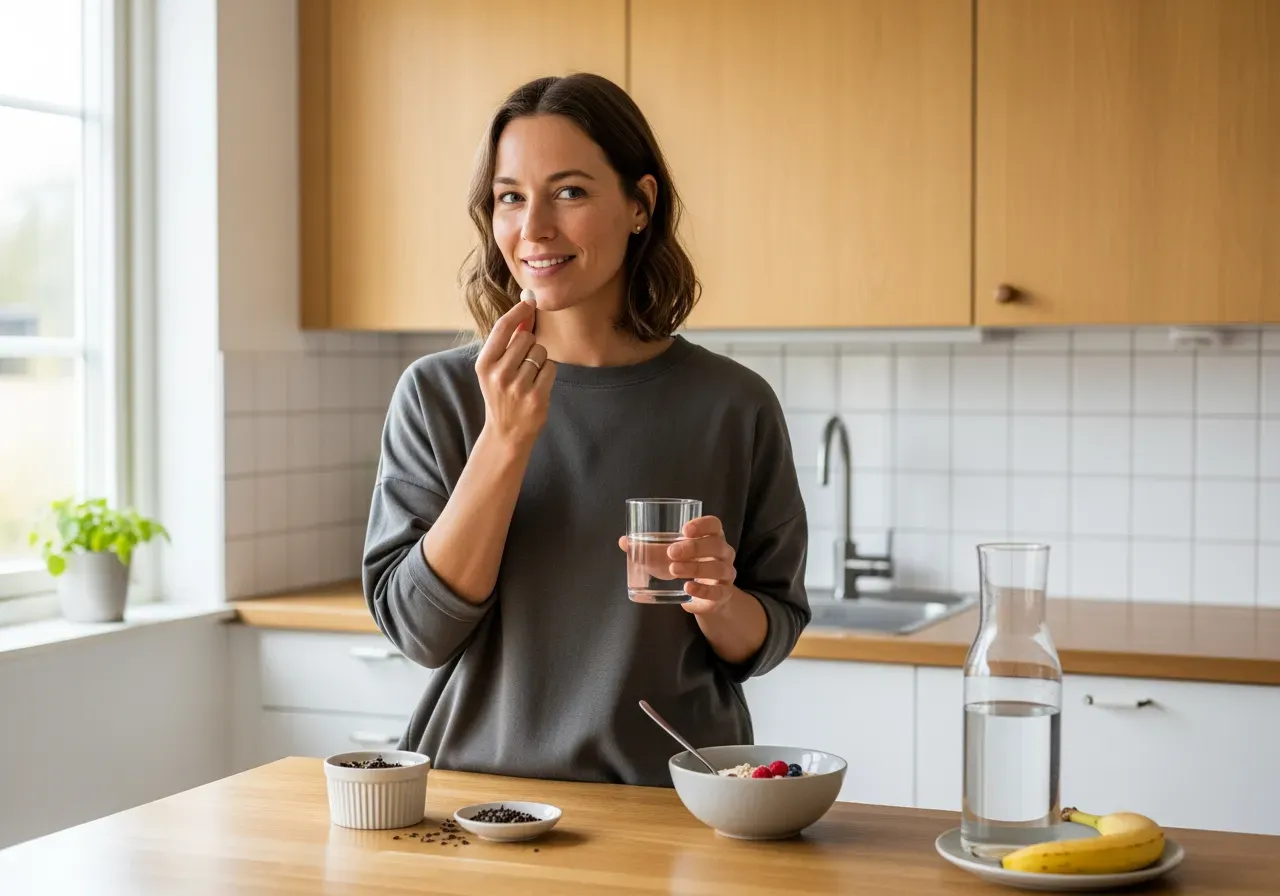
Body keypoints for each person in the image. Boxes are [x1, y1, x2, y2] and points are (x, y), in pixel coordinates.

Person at [362, 72, 810, 787]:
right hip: (480, 801)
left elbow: (769, 632)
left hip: (678, 800)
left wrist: (719, 598)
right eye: (511, 197)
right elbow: (419, 630)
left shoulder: (734, 404)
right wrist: (504, 441)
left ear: (639, 205)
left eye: (569, 192)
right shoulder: (440, 394)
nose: (533, 229)